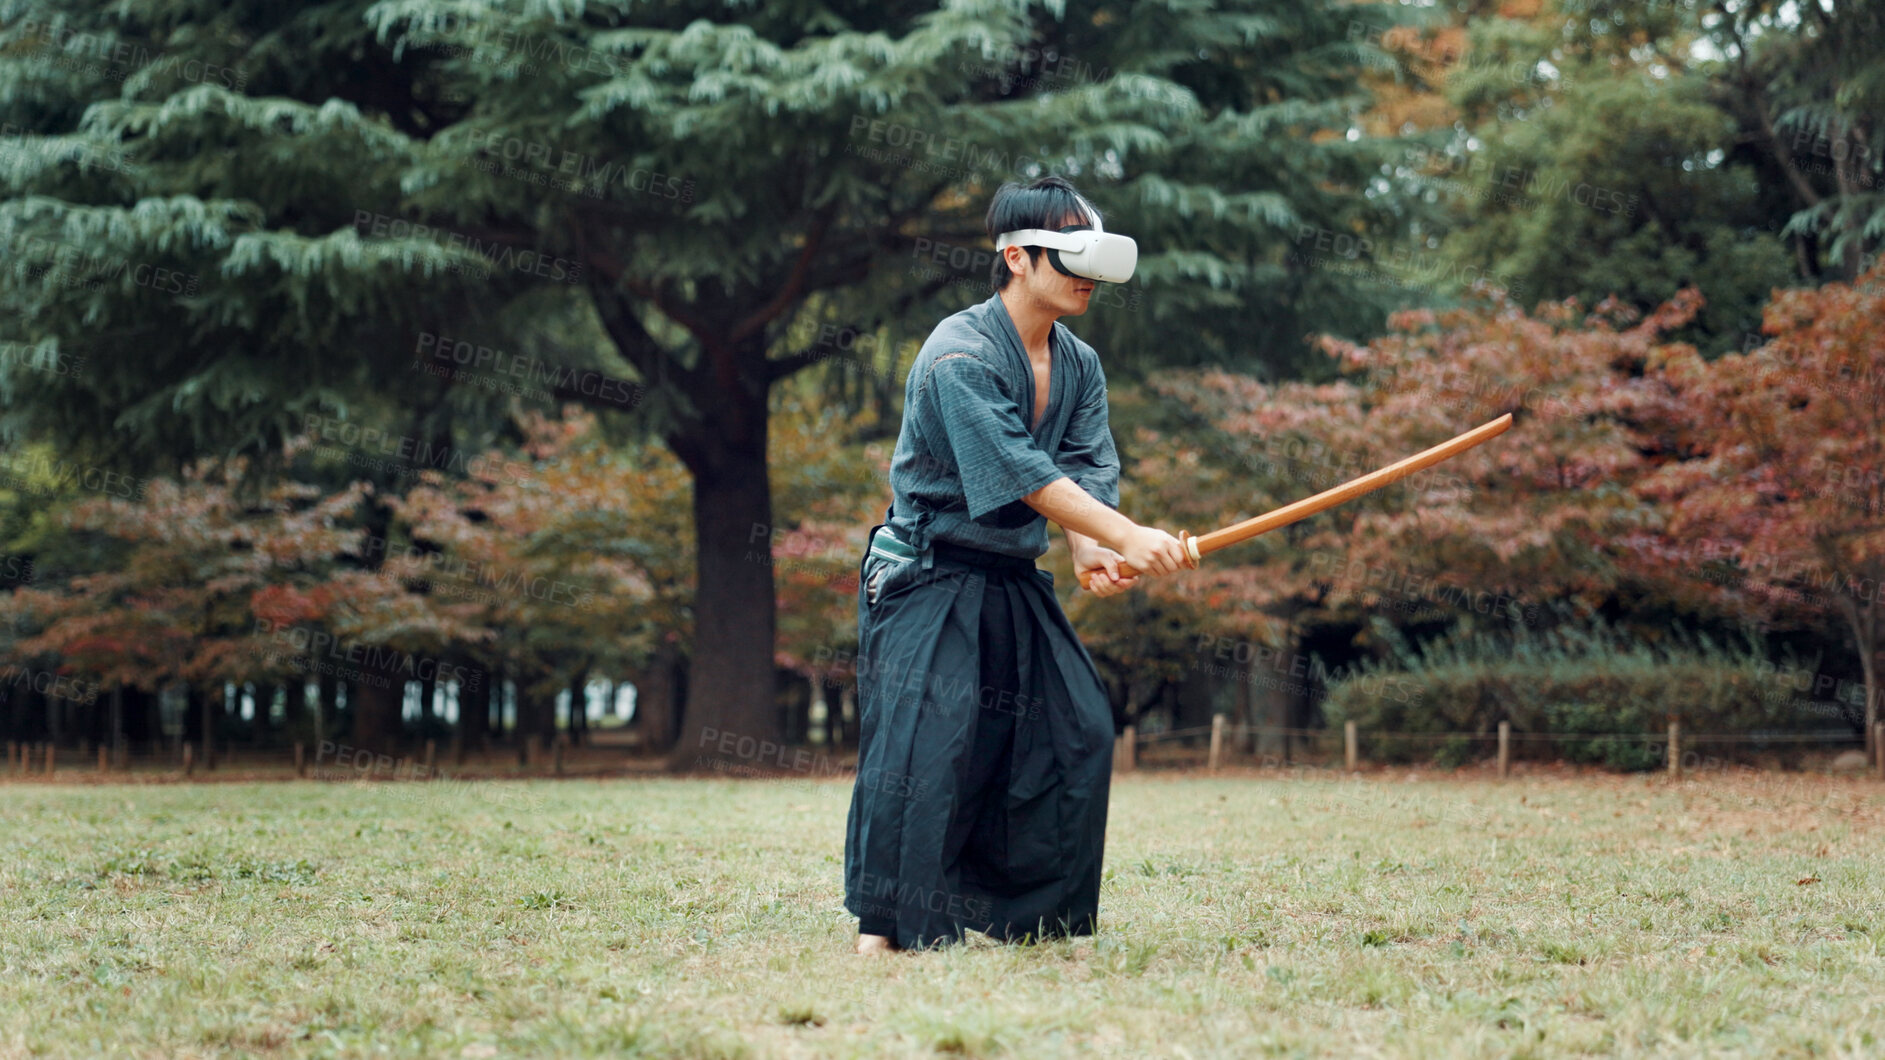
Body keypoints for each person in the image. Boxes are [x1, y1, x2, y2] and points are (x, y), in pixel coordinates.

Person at [842, 174, 1190, 954]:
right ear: (1015, 257)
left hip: (1009, 575)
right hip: (926, 570)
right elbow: (1019, 471)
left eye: (1091, 260)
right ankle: (889, 929)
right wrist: (1128, 532)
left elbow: (1079, 466)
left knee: (1076, 729)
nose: (1085, 277)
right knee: (926, 748)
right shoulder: (956, 353)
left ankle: (1031, 919)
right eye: (1069, 257)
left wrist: (1093, 546)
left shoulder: (1080, 364)